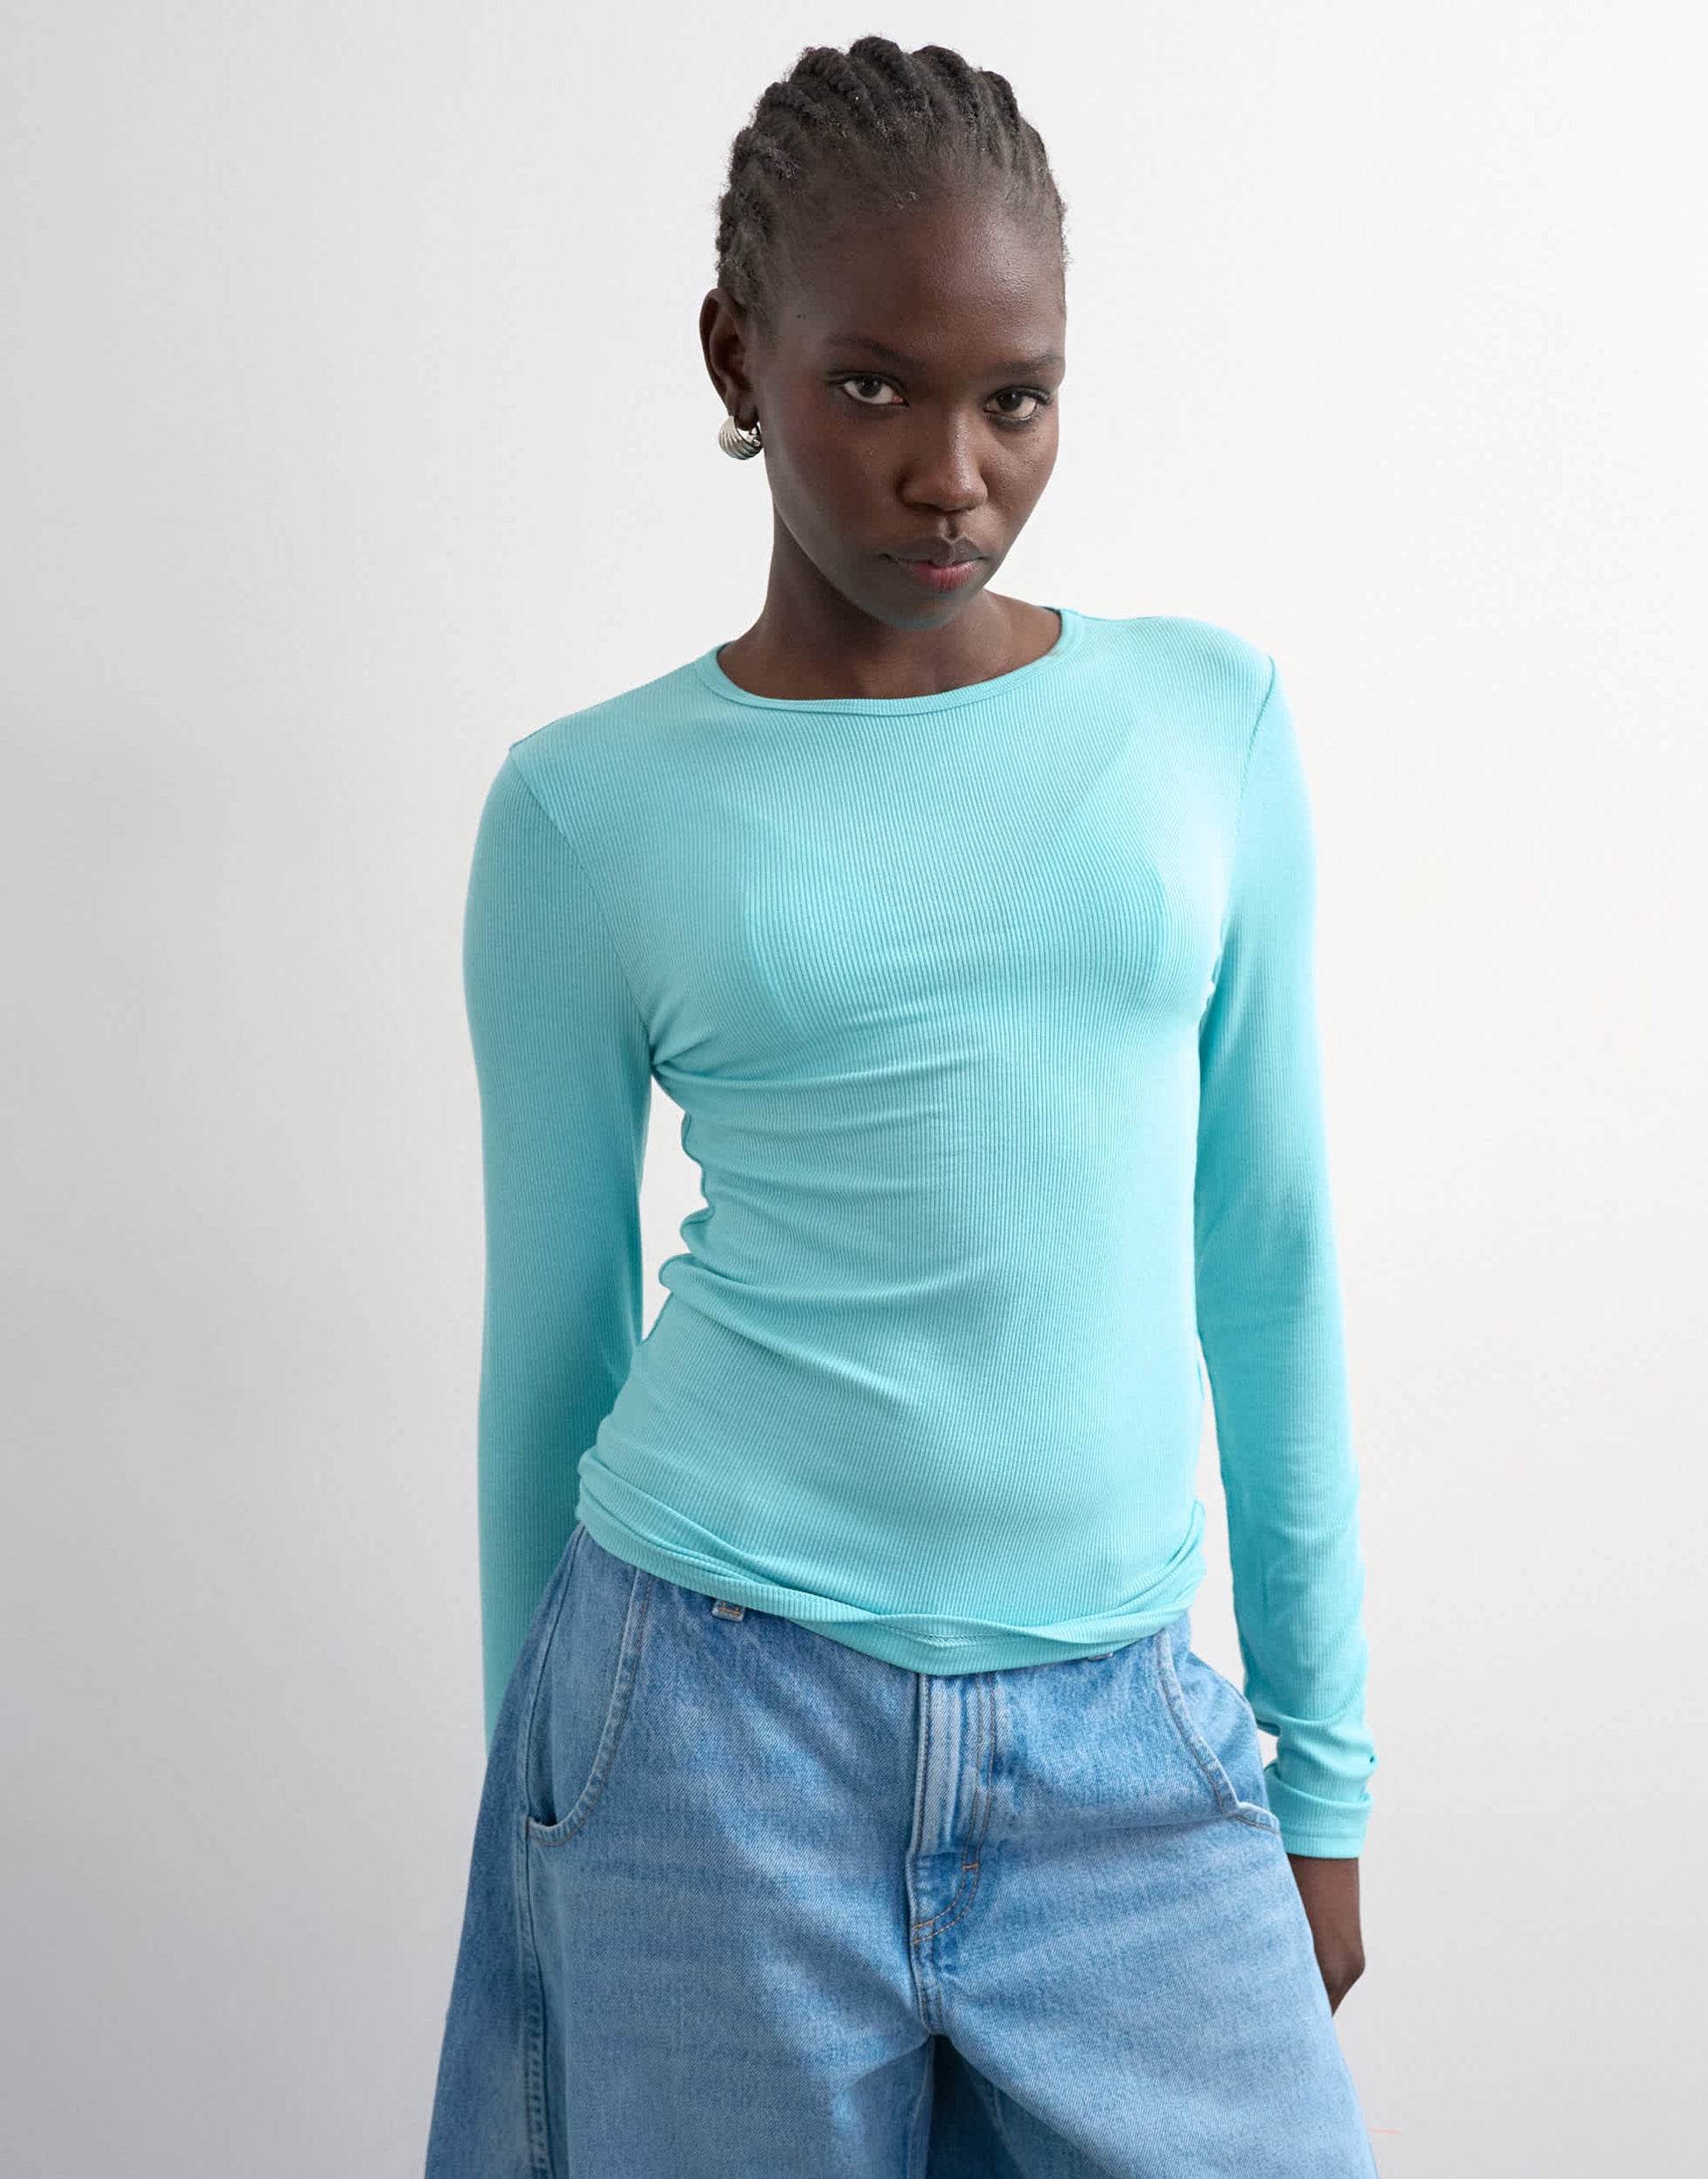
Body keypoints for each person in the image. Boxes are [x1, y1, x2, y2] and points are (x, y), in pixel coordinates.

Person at [426, 33, 1379, 2179]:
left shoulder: (1205, 724)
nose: (951, 472)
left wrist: (1317, 1781)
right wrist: (550, 1817)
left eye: (1013, 399)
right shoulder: (582, 813)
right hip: (704, 1727)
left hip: (1126, 1738)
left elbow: (1271, 1261)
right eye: (872, 388)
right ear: (736, 357)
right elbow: (552, 1355)